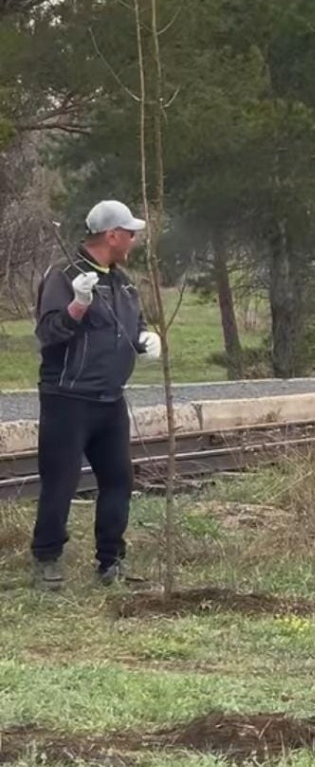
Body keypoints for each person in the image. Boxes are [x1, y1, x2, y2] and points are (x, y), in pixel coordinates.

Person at [31, 200, 160, 591]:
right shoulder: (64, 275)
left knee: (119, 480)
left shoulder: (124, 282)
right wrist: (77, 305)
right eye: (131, 233)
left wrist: (144, 338)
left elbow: (132, 324)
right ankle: (47, 559)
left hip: (110, 399)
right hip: (68, 398)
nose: (135, 240)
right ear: (112, 235)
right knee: (60, 482)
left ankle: (111, 562)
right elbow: (48, 333)